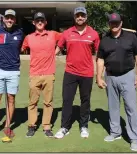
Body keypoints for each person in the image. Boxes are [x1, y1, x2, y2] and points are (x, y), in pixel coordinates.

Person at [96, 13, 137, 151]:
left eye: (117, 22)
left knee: (131, 108)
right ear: (109, 24)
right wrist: (98, 77)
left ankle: (134, 138)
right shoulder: (104, 40)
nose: (114, 25)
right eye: (112, 23)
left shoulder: (131, 37)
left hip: (127, 75)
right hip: (110, 76)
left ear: (121, 23)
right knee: (113, 107)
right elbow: (100, 60)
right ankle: (115, 132)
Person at [54, 7, 100, 139]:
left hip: (87, 73)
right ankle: (64, 127)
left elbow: (99, 53)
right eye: (77, 15)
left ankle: (84, 126)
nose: (80, 18)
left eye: (82, 15)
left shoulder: (94, 34)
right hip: (70, 72)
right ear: (74, 17)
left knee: (85, 100)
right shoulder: (67, 33)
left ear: (86, 17)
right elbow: (58, 48)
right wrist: (49, 58)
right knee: (67, 100)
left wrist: (100, 71)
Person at [0, 9, 24, 142]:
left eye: (12, 18)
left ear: (15, 20)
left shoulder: (20, 33)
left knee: (11, 99)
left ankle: (7, 126)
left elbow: (22, 47)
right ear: (3, 19)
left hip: (13, 71)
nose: (9, 20)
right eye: (7, 18)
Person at [21, 12, 60, 137]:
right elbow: (23, 48)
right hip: (34, 74)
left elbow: (65, 38)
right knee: (33, 102)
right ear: (33, 22)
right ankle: (32, 126)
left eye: (42, 20)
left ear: (45, 22)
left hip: (49, 74)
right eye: (37, 20)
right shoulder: (29, 37)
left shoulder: (53, 34)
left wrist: (57, 51)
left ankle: (46, 126)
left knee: (48, 102)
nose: (39, 22)